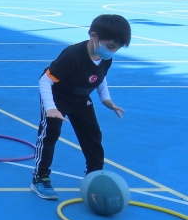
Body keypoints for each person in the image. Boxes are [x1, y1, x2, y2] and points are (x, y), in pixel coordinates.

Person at [31, 14, 130, 200]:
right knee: (50, 135)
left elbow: (100, 76)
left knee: (92, 135)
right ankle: (40, 178)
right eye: (111, 46)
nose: (113, 52)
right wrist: (51, 108)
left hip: (81, 98)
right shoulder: (73, 56)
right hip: (58, 98)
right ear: (94, 36)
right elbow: (45, 80)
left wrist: (106, 99)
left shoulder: (106, 56)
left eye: (117, 48)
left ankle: (95, 176)